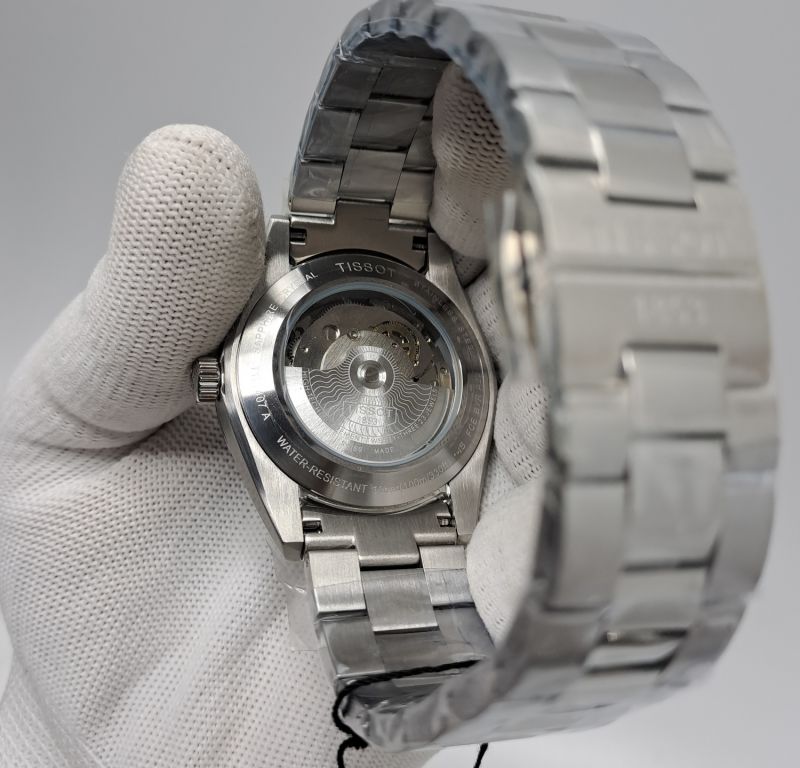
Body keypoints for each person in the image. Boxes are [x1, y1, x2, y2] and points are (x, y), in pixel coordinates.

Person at [0, 67, 546, 767]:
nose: (370, 373)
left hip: (433, 443)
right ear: (221, 380)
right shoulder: (260, 368)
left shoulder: (449, 328)